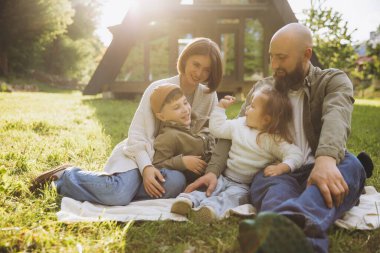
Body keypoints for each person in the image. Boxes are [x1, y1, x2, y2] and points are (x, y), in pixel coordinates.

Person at [185, 23, 371, 253]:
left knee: (351, 165)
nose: (274, 66)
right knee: (267, 183)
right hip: (277, 169)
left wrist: (326, 160)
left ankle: (282, 228)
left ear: (307, 54)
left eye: (281, 58)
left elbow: (337, 116)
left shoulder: (332, 81)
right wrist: (213, 171)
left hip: (323, 163)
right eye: (271, 57)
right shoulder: (263, 88)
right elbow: (235, 130)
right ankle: (298, 238)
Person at [30, 37, 223, 206]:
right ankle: (67, 176)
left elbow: (212, 135)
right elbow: (138, 134)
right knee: (118, 194)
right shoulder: (158, 88)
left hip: (170, 165)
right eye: (196, 64)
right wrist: (146, 168)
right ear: (186, 58)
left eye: (206, 70)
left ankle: (119, 187)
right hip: (140, 153)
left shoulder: (209, 96)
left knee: (175, 184)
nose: (199, 73)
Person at [170, 85, 303, 222]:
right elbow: (218, 129)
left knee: (231, 198)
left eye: (252, 107)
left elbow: (296, 154)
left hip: (243, 185)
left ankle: (210, 209)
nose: (246, 109)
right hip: (224, 176)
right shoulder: (240, 125)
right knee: (210, 189)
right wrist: (220, 108)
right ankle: (187, 200)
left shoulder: (272, 139)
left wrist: (283, 167)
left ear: (266, 119)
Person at [150, 83, 215, 184]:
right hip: (199, 180)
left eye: (185, 103)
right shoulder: (169, 136)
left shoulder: (199, 122)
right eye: (176, 107)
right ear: (162, 117)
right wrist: (182, 162)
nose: (185, 110)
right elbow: (157, 165)